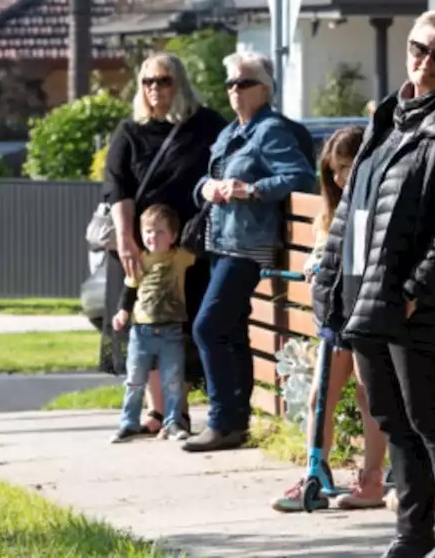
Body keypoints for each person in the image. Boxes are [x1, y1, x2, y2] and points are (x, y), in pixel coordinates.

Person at [313, 7, 435, 558]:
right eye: (419, 50)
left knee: (428, 417)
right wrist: (329, 274)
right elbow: (353, 205)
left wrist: (414, 292)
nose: (425, 63)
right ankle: (410, 534)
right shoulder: (389, 117)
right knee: (391, 417)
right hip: (365, 292)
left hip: (412, 299)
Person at [184, 51, 316, 453]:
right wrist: (206, 186)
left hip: (249, 243)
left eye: (244, 83)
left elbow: (301, 176)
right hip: (221, 239)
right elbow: (208, 178)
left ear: (265, 88)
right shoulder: (230, 132)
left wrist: (252, 189)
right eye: (230, 84)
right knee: (231, 328)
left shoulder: (271, 130)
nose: (234, 91)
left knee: (207, 327)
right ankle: (235, 422)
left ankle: (223, 420)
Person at [102, 53, 228, 435]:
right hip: (139, 248)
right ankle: (157, 412)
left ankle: (179, 411)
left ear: (180, 83)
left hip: (186, 250)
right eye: (148, 82)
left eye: (163, 80)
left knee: (182, 326)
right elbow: (116, 187)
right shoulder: (129, 131)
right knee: (144, 327)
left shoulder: (205, 125)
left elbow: (227, 165)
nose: (155, 88)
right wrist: (126, 241)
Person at [272, 125, 389, 512]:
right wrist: (315, 265)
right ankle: (315, 471)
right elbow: (319, 252)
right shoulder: (330, 214)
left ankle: (372, 479)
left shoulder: (370, 209)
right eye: (334, 170)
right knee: (320, 395)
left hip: (364, 311)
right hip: (334, 316)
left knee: (368, 393)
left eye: (348, 167)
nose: (340, 178)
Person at [110, 204, 197, 443]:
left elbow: (198, 244)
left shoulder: (180, 258)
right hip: (141, 332)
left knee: (173, 381)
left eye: (159, 232)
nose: (152, 237)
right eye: (148, 231)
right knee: (135, 380)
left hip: (171, 332)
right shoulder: (139, 261)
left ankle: (173, 423)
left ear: (173, 236)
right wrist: (122, 312)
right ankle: (128, 423)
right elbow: (129, 290)